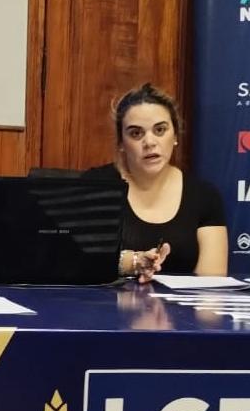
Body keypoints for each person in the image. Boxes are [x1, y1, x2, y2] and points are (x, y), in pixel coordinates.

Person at [83, 83, 228, 280]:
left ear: (175, 135)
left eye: (160, 130)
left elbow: (211, 284)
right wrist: (133, 263)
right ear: (121, 143)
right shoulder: (96, 186)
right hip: (108, 299)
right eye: (136, 133)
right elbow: (78, 260)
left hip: (182, 301)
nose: (149, 142)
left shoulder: (204, 196)